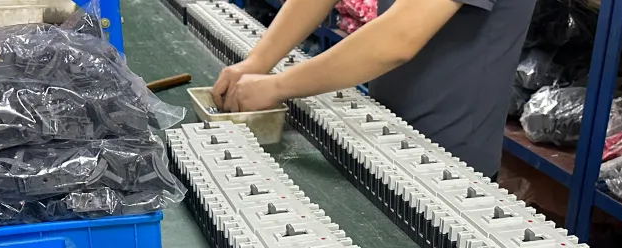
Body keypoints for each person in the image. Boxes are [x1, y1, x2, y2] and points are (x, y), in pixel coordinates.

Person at [211, 0, 536, 177]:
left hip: (447, 168)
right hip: (384, 139)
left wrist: (278, 86)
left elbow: (398, 40)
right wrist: (256, 61)